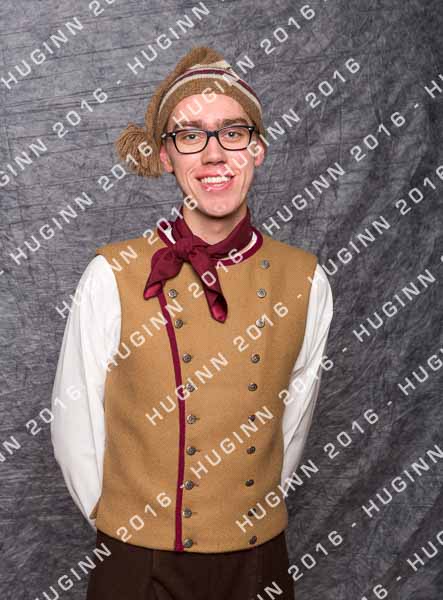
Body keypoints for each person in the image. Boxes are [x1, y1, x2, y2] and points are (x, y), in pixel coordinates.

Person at [50, 46, 333, 600]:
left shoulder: (306, 280)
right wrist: (123, 526)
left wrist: (243, 510)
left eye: (232, 132)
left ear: (257, 148)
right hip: (136, 558)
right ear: (165, 157)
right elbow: (74, 421)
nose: (213, 153)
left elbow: (292, 423)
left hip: (256, 560)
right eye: (189, 136)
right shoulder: (111, 273)